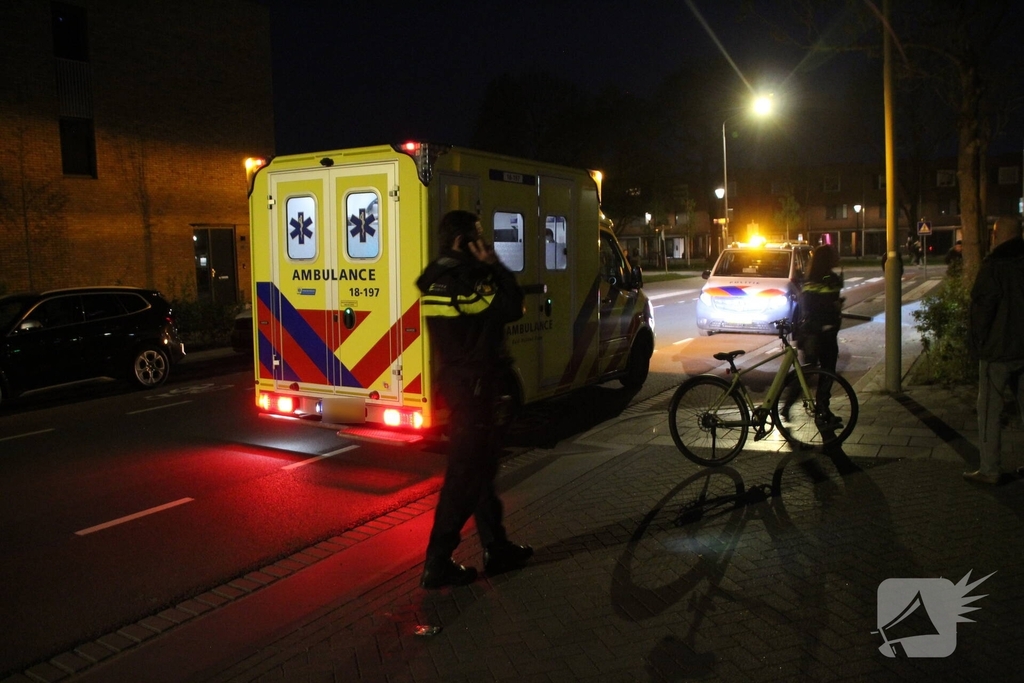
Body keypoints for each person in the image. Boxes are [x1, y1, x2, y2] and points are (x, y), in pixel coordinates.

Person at [415, 210, 534, 588]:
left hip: (458, 381)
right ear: (462, 241)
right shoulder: (466, 281)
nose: (484, 244)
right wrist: (494, 265)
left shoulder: (436, 278)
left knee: (480, 471)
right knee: (465, 475)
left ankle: (496, 548)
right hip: (476, 386)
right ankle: (437, 561)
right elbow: (512, 306)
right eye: (478, 237)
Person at [964, 217, 1024, 485]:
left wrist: (977, 343)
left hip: (998, 350)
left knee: (989, 408)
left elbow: (983, 308)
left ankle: (990, 468)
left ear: (997, 235)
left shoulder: (994, 266)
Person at [785, 243, 844, 425]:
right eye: (834, 254)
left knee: (812, 371)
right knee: (823, 372)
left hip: (817, 332)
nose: (837, 256)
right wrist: (835, 304)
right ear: (827, 259)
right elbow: (819, 304)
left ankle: (811, 408)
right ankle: (818, 408)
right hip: (820, 333)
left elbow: (814, 302)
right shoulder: (826, 278)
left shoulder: (813, 278)